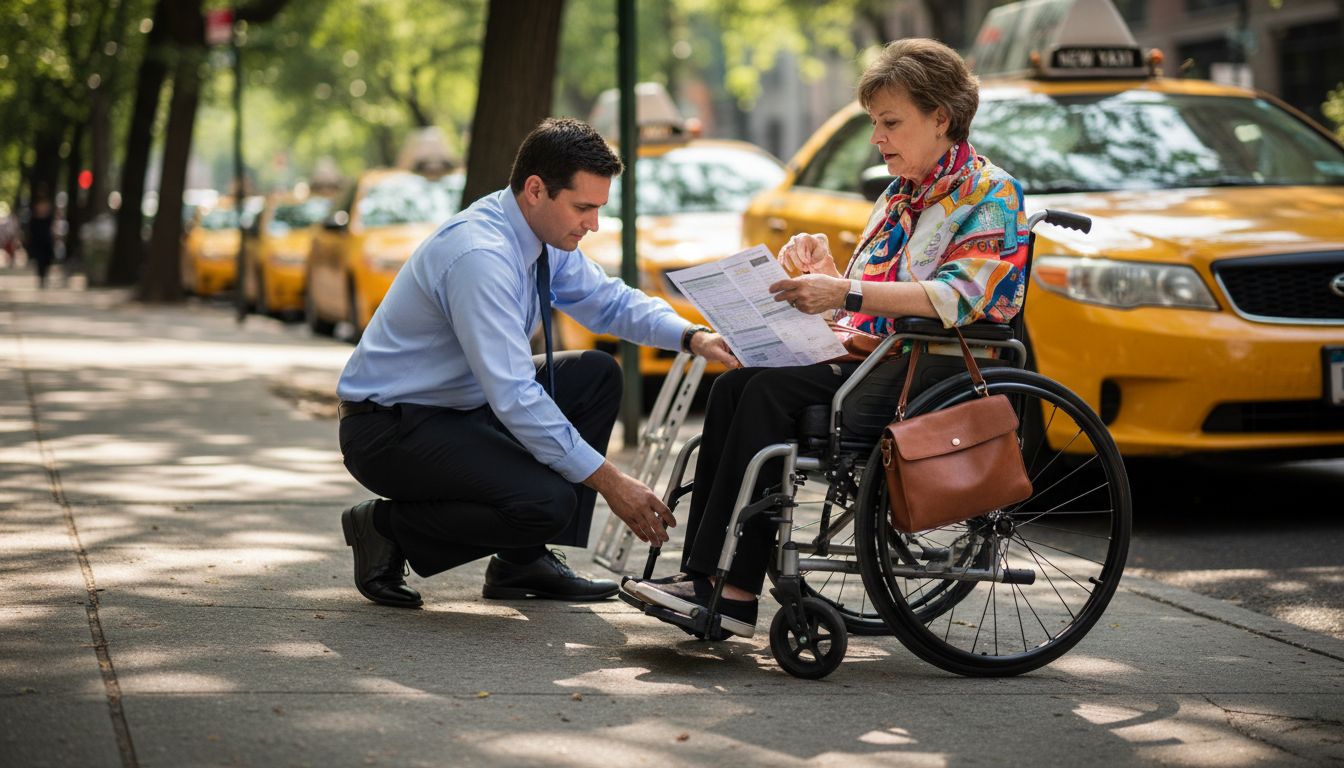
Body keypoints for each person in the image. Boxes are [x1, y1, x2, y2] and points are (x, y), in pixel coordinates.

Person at [621, 38, 1031, 639]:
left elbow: (959, 296)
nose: (877, 138)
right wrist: (828, 271)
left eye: (891, 123)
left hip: (928, 372)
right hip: (869, 356)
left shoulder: (990, 194)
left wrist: (844, 293)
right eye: (875, 123)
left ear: (941, 117)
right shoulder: (899, 198)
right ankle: (701, 576)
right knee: (736, 385)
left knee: (762, 394)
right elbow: (872, 291)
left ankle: (731, 590)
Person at [336, 117, 738, 609]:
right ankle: (383, 527)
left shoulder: (541, 234)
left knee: (594, 375)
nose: (593, 223)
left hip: (458, 410)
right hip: (390, 431)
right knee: (549, 500)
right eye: (583, 207)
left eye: (598, 209)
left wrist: (692, 336)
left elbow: (606, 301)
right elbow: (514, 396)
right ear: (535, 190)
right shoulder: (480, 256)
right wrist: (611, 483)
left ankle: (522, 561)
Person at [25, 188, 56, 289]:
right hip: (38, 239)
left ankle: (44, 276)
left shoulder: (49, 214)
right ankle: (41, 277)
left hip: (46, 239)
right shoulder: (35, 215)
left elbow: (53, 226)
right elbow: (31, 228)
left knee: (46, 259)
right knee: (40, 259)